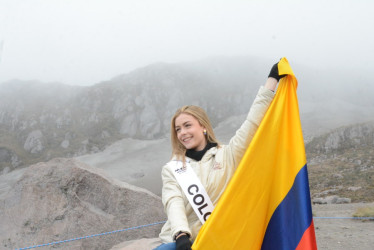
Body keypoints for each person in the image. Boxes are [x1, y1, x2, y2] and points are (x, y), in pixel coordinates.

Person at [153, 61, 285, 250]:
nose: (182, 133)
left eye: (188, 125)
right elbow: (173, 202)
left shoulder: (229, 154)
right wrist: (181, 235)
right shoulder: (172, 168)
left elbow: (253, 123)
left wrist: (271, 81)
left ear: (203, 127)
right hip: (184, 242)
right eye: (178, 129)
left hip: (219, 240)